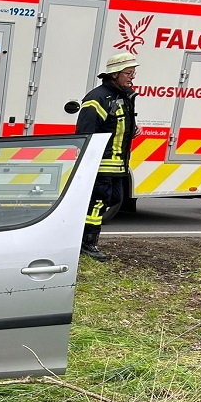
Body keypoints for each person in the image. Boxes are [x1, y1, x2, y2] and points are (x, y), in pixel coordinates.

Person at [74, 52, 139, 262]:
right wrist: (88, 163)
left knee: (116, 198)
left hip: (118, 164)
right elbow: (86, 132)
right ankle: (87, 243)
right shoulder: (97, 98)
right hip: (102, 163)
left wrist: (133, 129)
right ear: (114, 74)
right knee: (98, 202)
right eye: (128, 73)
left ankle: (82, 237)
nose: (132, 77)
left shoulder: (123, 97)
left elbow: (116, 126)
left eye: (133, 73)